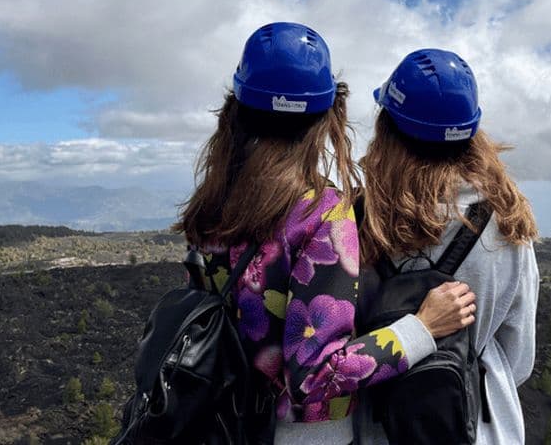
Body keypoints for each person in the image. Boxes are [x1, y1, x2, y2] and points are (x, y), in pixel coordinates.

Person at [173, 24, 476, 445]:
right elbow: (317, 375)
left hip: (216, 421)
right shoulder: (322, 213)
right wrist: (422, 328)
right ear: (327, 117)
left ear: (235, 110)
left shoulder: (211, 206)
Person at [356, 48, 540, 445]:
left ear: (388, 129)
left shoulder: (362, 222)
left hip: (384, 428)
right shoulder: (507, 223)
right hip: (482, 428)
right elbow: (519, 356)